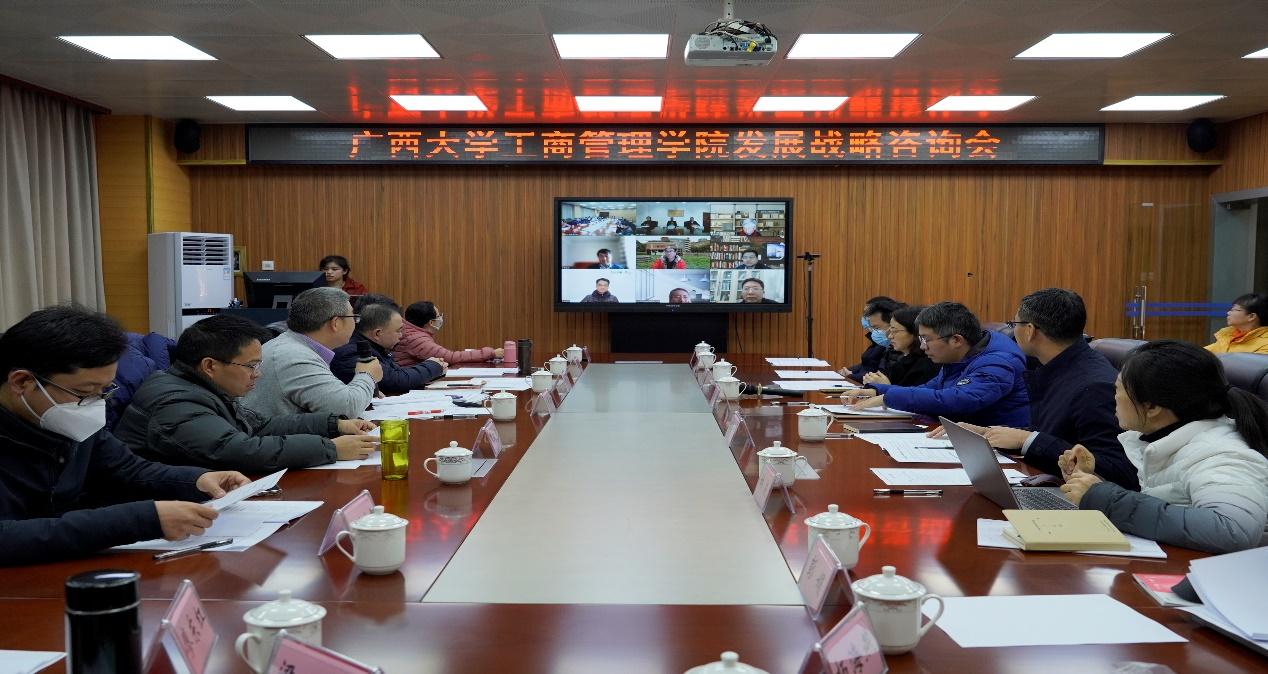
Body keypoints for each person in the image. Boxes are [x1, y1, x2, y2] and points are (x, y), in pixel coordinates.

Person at [0, 305, 249, 565]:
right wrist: (142, 519)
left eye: (104, 391)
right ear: (21, 382)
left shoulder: (68, 419)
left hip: (65, 565)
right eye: (84, 393)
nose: (95, 404)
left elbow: (128, 469)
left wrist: (196, 480)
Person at [1060, 341, 1268, 553]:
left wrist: (1105, 498)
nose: (1113, 396)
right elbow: (1167, 503)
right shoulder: (1165, 439)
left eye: (1118, 389)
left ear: (1152, 406)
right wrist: (1092, 480)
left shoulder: (1221, 455)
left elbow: (1233, 531)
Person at [115, 314, 378, 473]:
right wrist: (330, 449)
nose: (258, 374)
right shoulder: (174, 401)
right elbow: (239, 451)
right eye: (251, 366)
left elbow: (259, 426)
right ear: (210, 366)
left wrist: (334, 425)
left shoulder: (203, 387)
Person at [938, 289, 1138, 489]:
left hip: (1075, 498)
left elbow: (1116, 469)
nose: (1013, 332)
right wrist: (987, 433)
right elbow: (1057, 433)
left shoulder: (1095, 386)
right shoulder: (1058, 367)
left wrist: (1027, 439)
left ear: (1030, 330)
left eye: (1014, 324)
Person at [847, 302, 1031, 428]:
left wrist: (890, 396)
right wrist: (878, 390)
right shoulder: (961, 354)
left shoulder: (998, 362)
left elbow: (959, 400)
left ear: (956, 340)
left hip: (1004, 452)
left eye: (926, 339)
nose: (922, 346)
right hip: (964, 437)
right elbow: (932, 388)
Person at [241, 287, 382, 419]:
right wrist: (367, 376)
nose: (355, 322)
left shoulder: (293, 345)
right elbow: (346, 409)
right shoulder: (294, 356)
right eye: (353, 317)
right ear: (336, 323)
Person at [332, 300, 446, 394]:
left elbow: (397, 373)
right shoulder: (354, 352)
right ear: (377, 333)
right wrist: (433, 366)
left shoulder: (376, 347)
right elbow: (397, 382)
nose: (401, 335)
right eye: (398, 331)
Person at [395, 301, 504, 366]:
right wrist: (491, 353)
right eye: (439, 316)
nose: (441, 318)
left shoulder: (411, 332)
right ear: (431, 322)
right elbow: (451, 357)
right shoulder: (415, 339)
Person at [862, 305, 939, 388]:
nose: (890, 336)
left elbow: (916, 395)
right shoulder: (903, 360)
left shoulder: (928, 364)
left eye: (895, 331)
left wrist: (885, 387)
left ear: (915, 333)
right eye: (890, 331)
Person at [841, 296, 900, 380]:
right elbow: (865, 364)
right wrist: (847, 371)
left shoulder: (888, 344)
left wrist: (851, 375)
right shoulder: (880, 341)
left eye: (877, 328)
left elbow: (878, 374)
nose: (866, 317)